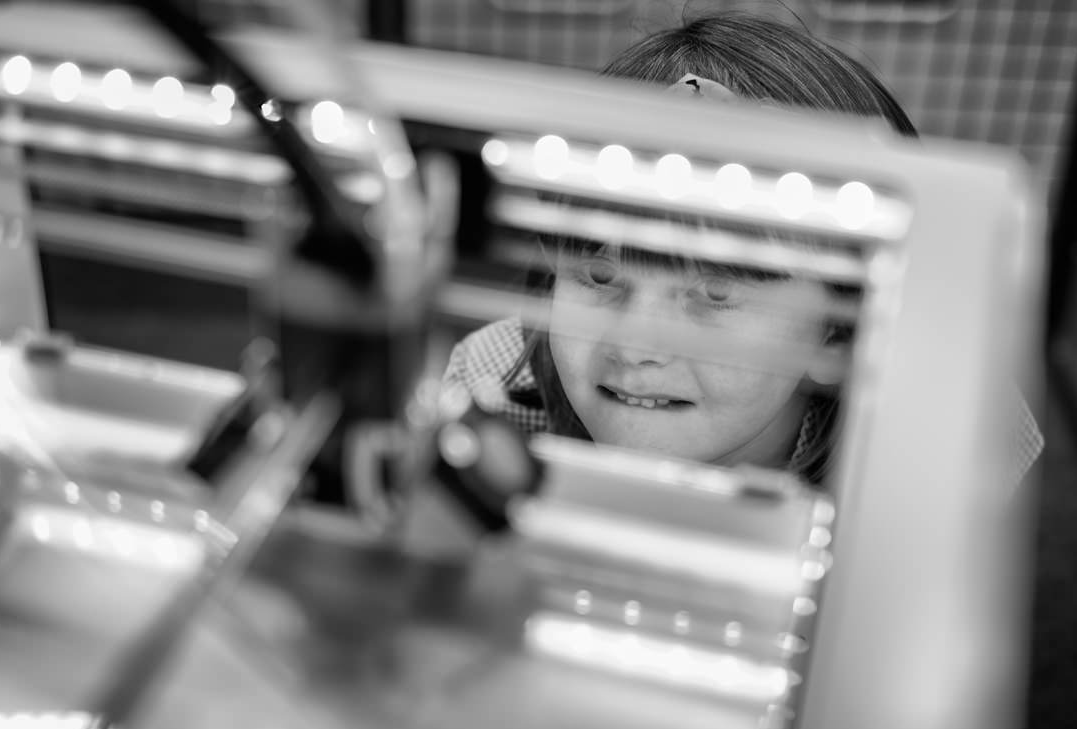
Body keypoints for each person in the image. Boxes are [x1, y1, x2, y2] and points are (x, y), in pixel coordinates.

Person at [442, 11, 1043, 486]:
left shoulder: (956, 431)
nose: (636, 346)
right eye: (598, 276)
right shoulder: (490, 381)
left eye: (715, 291)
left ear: (849, 312)